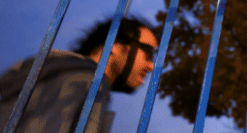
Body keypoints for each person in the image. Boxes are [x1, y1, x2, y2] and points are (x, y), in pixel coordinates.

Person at [0, 16, 158, 133]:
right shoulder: (84, 79)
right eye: (148, 53)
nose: (151, 66)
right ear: (114, 47)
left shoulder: (68, 75)